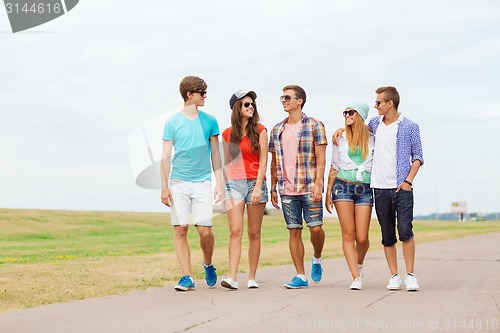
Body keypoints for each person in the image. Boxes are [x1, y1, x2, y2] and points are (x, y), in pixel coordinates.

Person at [332, 86, 424, 291]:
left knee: (406, 231)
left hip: (402, 187)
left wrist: (408, 181)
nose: (375, 106)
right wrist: (340, 129)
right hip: (379, 188)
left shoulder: (410, 126)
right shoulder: (374, 124)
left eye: (378, 103)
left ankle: (410, 275)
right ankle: (394, 275)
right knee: (387, 234)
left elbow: (418, 157)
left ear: (389, 103)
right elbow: (355, 130)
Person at [160, 76, 224, 291]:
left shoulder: (210, 121)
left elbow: (215, 153)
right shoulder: (172, 122)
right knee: (180, 229)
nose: (205, 96)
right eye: (202, 92)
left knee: (204, 231)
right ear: (190, 94)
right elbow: (165, 155)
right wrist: (164, 186)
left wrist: (219, 182)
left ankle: (208, 264)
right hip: (178, 182)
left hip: (202, 182)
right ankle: (186, 277)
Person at [269, 84, 327, 289]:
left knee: (316, 228)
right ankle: (300, 275)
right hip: (287, 190)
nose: (283, 101)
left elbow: (321, 159)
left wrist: (319, 184)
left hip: (310, 186)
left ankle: (317, 258)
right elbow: (274, 161)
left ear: (299, 101)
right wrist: (273, 187)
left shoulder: (315, 125)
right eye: (282, 97)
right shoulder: (277, 129)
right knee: (294, 230)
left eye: (287, 97)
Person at [219, 90, 268, 290]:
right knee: (235, 231)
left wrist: (257, 187)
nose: (251, 107)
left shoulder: (261, 130)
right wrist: (223, 188)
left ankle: (252, 277)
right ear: (237, 108)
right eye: (246, 104)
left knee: (254, 232)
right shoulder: (227, 133)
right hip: (234, 184)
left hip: (255, 183)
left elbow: (264, 159)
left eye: (252, 104)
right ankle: (232, 277)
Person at [325, 102, 374, 290]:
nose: (346, 115)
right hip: (342, 186)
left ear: (360, 115)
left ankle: (359, 263)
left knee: (362, 238)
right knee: (348, 233)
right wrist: (328, 192)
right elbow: (334, 165)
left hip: (365, 188)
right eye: (344, 112)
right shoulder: (340, 137)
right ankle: (355, 277)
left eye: (350, 112)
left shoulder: (372, 138)